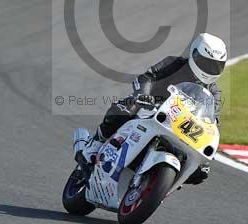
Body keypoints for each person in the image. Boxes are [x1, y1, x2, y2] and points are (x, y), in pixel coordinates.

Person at [83, 33, 227, 185]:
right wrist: (143, 95)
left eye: (216, 66)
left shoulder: (213, 91)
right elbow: (147, 77)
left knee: (200, 171)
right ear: (194, 54)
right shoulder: (175, 64)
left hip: (180, 127)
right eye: (206, 63)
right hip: (151, 108)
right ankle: (96, 144)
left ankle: (161, 183)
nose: (210, 69)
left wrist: (209, 145)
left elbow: (212, 122)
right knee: (125, 108)